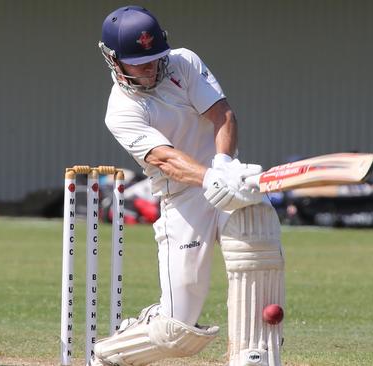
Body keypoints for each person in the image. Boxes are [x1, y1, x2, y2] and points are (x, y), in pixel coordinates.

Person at [92, 6, 285, 366]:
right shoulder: (120, 110)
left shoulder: (183, 62)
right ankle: (108, 354)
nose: (150, 68)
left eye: (155, 58)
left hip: (225, 179)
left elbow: (222, 114)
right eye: (139, 62)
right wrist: (211, 178)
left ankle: (254, 356)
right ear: (113, 59)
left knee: (257, 232)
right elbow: (165, 159)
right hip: (181, 197)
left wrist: (224, 165)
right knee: (178, 329)